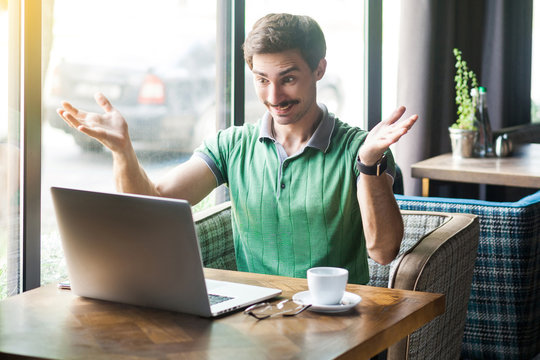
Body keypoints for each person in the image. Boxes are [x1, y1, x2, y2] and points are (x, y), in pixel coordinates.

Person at [57, 13, 418, 284]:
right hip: (255, 318)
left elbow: (383, 252)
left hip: (336, 325)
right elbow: (150, 205)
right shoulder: (232, 145)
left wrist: (369, 164)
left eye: (288, 79)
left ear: (319, 69)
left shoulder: (360, 149)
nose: (274, 97)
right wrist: (123, 151)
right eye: (262, 80)